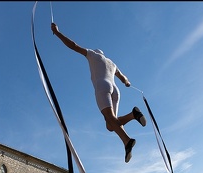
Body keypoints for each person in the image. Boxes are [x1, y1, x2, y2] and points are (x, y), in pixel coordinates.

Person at [51, 23, 146, 163]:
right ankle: (133, 115)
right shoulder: (111, 63)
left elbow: (73, 45)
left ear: (97, 52)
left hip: (103, 87)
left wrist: (57, 33)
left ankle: (127, 141)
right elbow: (124, 79)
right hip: (115, 90)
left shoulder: (93, 55)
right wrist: (127, 82)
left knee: (110, 119)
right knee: (110, 125)